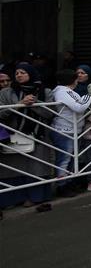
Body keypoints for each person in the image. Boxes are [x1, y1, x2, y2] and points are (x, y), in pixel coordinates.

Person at [0, 63, 55, 206]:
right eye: (17, 73)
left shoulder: (45, 91)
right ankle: (12, 199)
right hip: (13, 135)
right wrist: (19, 104)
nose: (19, 75)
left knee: (36, 166)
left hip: (38, 136)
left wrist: (35, 103)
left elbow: (51, 113)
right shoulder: (6, 93)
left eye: (23, 72)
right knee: (12, 168)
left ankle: (35, 197)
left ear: (31, 73)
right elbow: (1, 113)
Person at [50, 69, 91, 196]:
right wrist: (89, 96)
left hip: (72, 130)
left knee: (71, 160)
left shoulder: (66, 91)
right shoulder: (63, 91)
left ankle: (68, 183)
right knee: (64, 160)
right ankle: (62, 186)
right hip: (64, 130)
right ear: (73, 80)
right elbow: (79, 107)